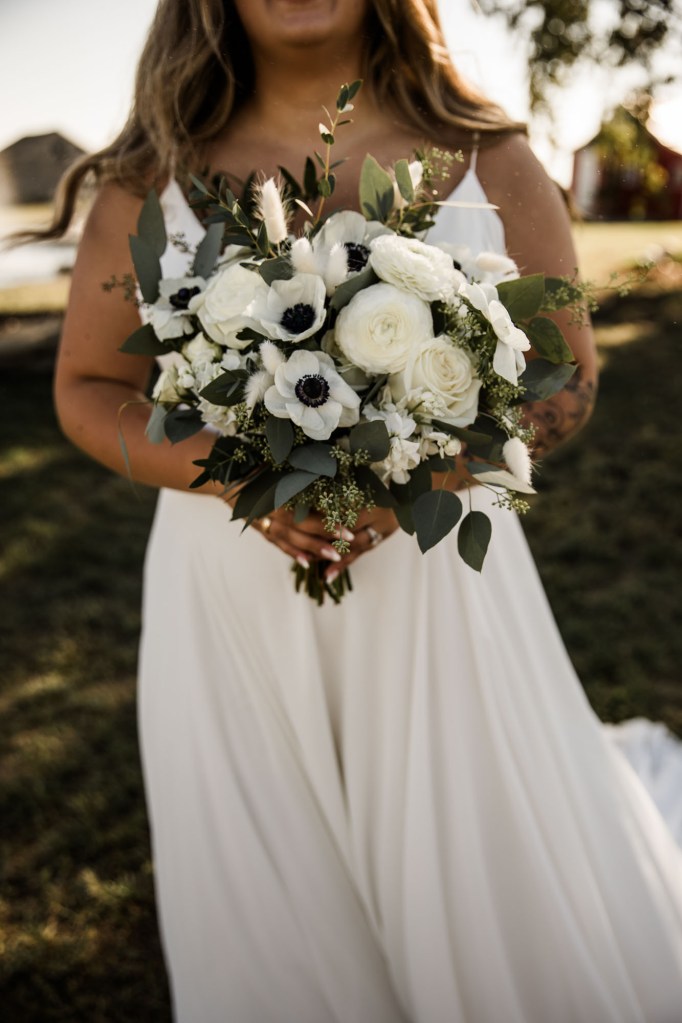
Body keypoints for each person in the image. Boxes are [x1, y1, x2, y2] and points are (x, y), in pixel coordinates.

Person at [52, 1, 682, 1020]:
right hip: (231, 587)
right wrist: (238, 476)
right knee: (273, 892)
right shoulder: (150, 178)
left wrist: (420, 487)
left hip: (440, 586)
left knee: (470, 856)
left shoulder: (491, 160)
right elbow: (85, 385)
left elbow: (563, 380)